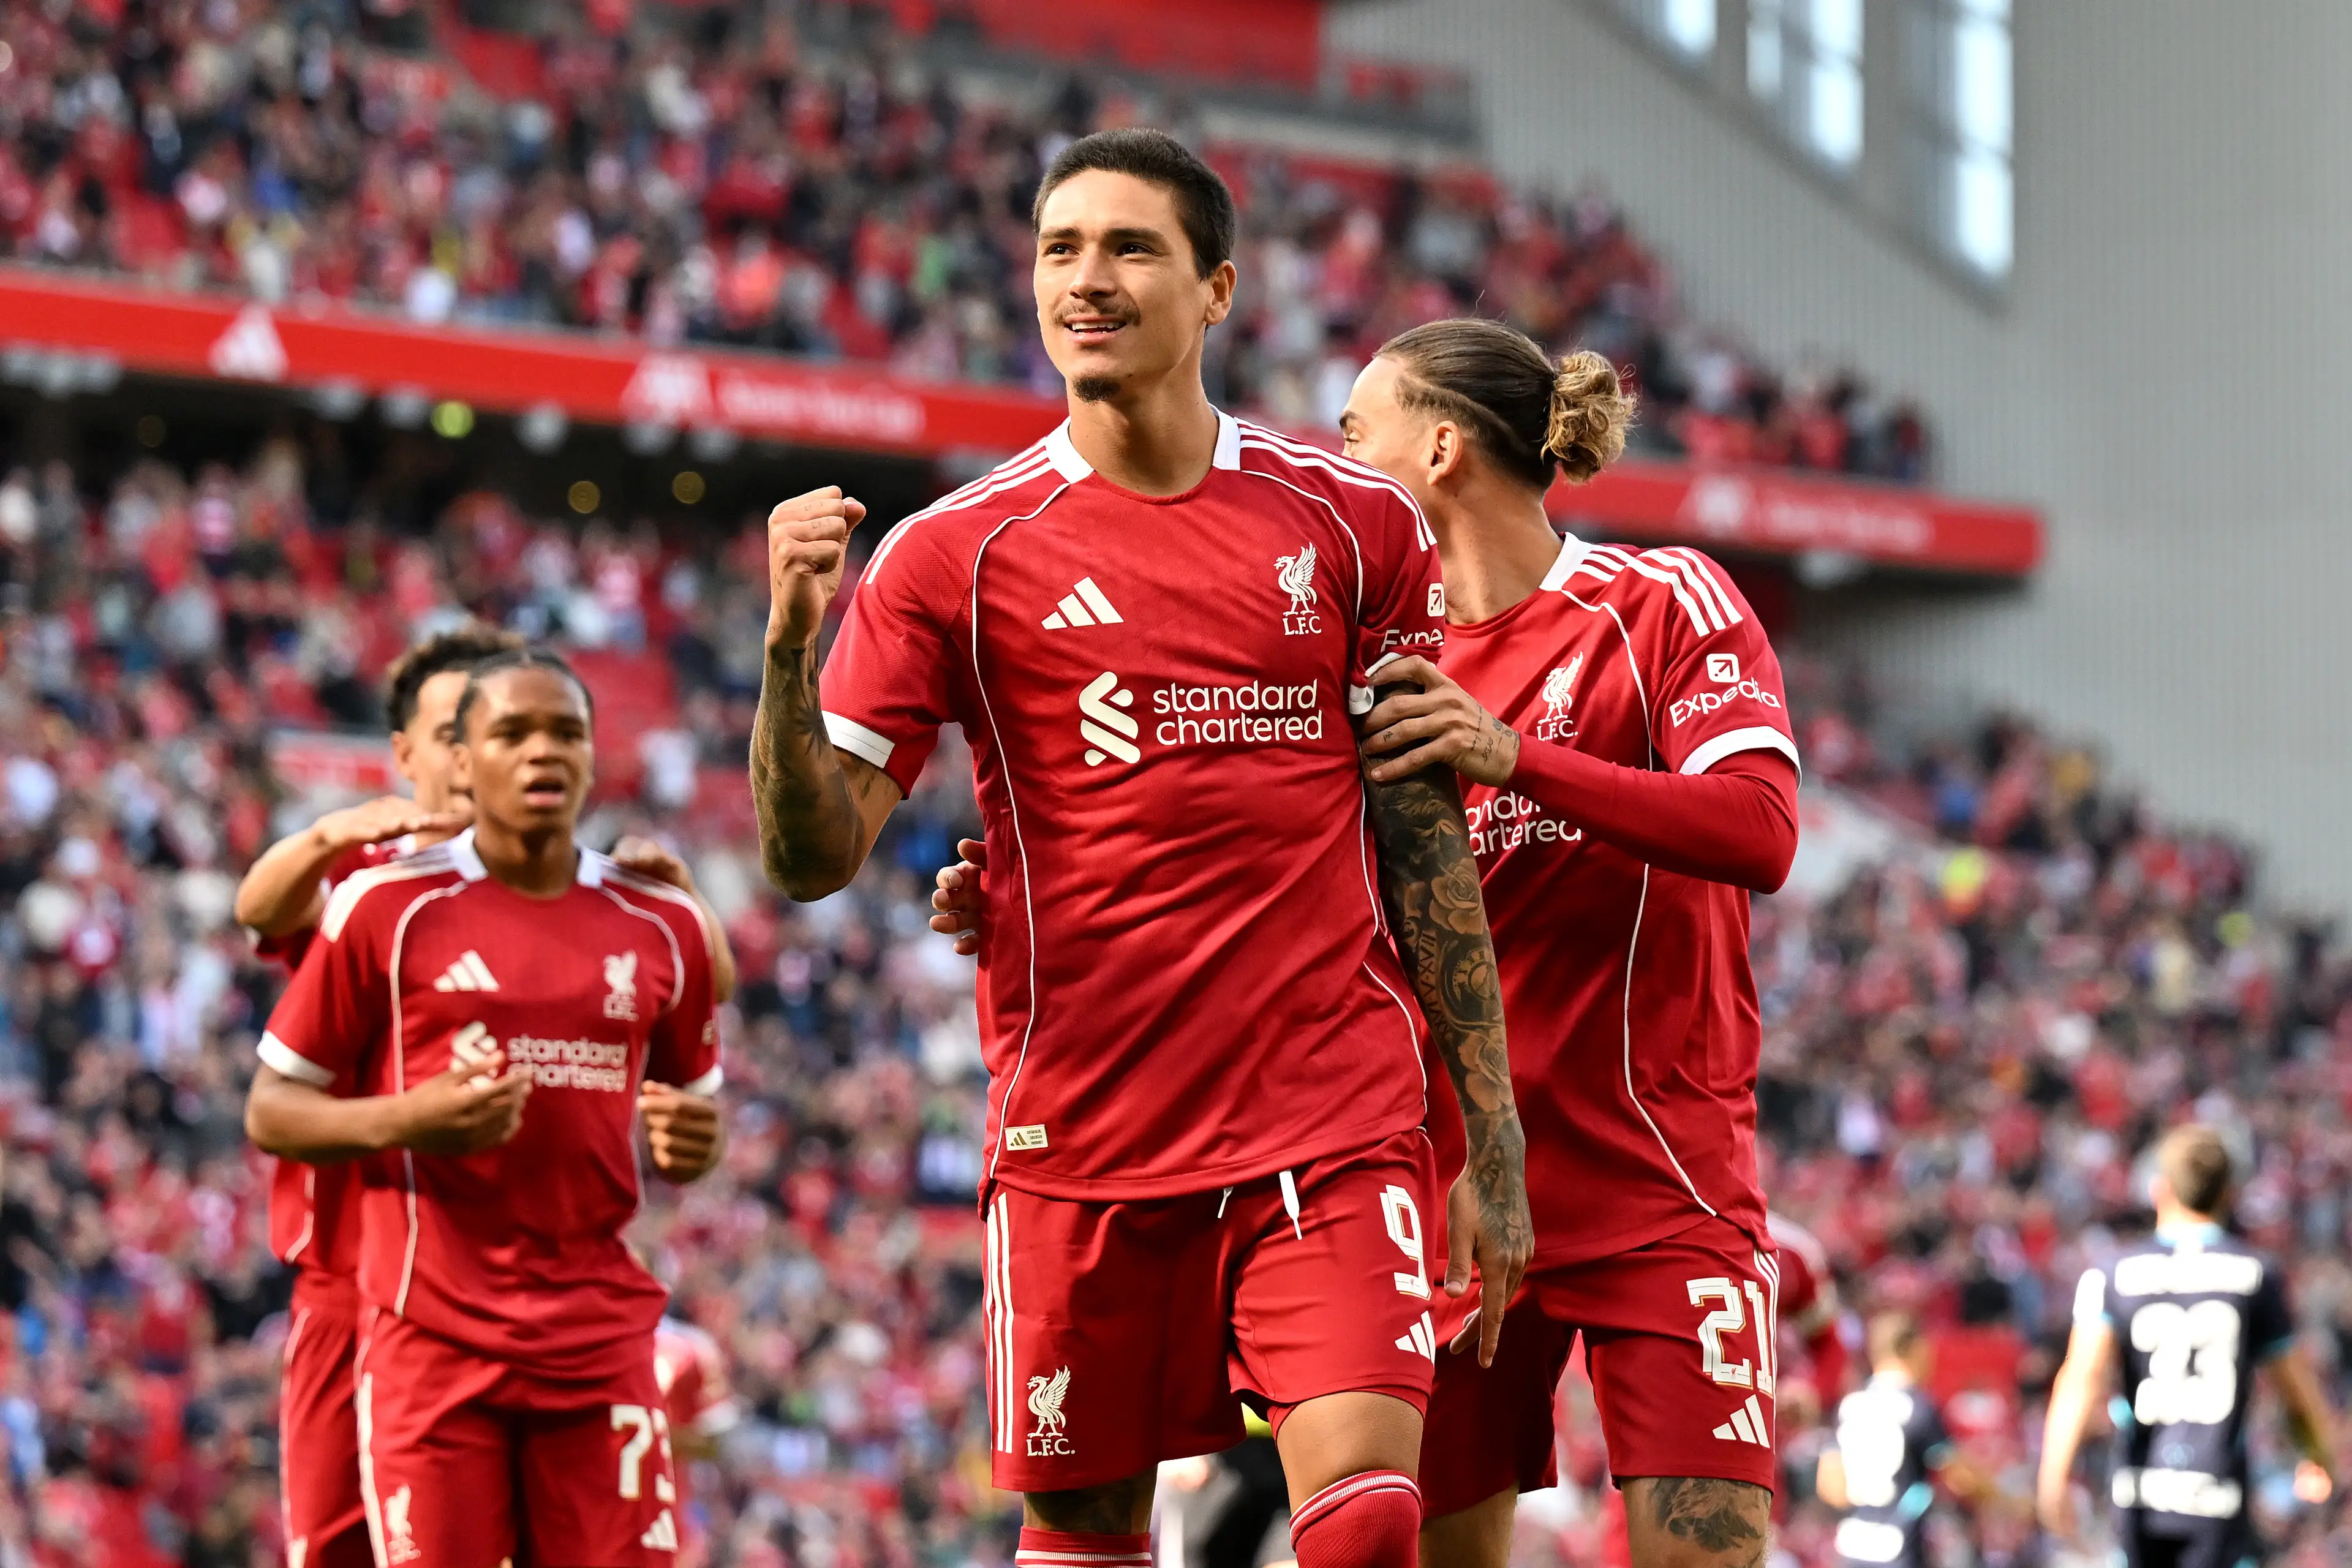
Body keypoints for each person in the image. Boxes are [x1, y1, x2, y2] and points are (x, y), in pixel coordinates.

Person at [752, 127, 1530, 1568]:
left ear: (1216, 287)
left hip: (1327, 1119)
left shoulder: (1353, 525)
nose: (1086, 279)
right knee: (1084, 1538)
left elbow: (1422, 841)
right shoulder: (950, 552)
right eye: (1059, 249)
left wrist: (1487, 1132)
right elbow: (809, 855)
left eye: (1128, 248)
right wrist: (790, 654)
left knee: (1363, 1523)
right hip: (1081, 1141)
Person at [236, 625, 735, 1568]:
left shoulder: (636, 909)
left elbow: (691, 1001)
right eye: (500, 732)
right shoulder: (371, 889)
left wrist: (692, 913)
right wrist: (331, 830)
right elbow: (260, 914)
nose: (533, 750)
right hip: (378, 1288)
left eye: (560, 729)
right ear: (427, 751)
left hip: (573, 1315)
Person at [2039, 1125, 2339, 1568]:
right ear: (2230, 1193)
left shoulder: (2111, 1275)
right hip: (2217, 1494)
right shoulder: (2256, 1275)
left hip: (2141, 1493)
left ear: (2160, 1190)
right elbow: (2295, 1388)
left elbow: (2081, 1379)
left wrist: (2054, 1477)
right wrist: (2319, 1454)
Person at [1816, 1313, 1984, 1568]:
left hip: (1852, 1548)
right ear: (1914, 1348)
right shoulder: (1918, 1407)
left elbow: (1830, 1487)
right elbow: (1962, 1480)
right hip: (1898, 1549)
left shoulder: (1849, 1406)